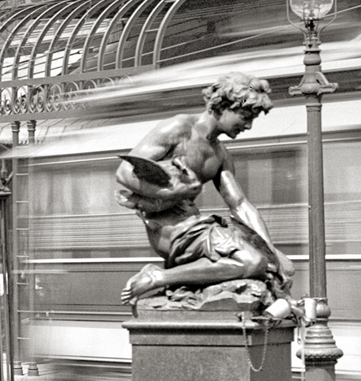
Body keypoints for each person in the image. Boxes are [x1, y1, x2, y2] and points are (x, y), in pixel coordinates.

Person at [114, 71, 293, 304]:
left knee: (284, 267)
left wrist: (270, 250)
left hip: (197, 227)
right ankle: (158, 277)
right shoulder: (179, 128)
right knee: (251, 262)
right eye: (245, 115)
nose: (248, 125)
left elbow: (240, 205)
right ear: (222, 106)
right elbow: (124, 172)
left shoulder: (220, 155)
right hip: (173, 230)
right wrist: (172, 193)